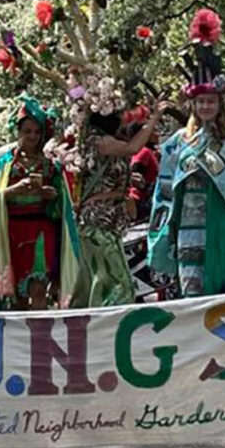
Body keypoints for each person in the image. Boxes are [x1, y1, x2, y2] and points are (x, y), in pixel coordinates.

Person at [147, 8, 225, 298]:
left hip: (221, 221)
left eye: (211, 101)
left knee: (221, 289)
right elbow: (164, 188)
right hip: (188, 220)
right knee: (191, 288)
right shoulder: (178, 141)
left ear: (219, 104)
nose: (205, 107)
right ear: (193, 105)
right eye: (200, 102)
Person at [0, 96, 79, 310]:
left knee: (38, 286)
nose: (33, 137)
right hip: (12, 230)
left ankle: (39, 335)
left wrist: (50, 194)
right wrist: (14, 191)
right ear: (18, 132)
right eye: (27, 132)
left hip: (41, 230)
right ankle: (19, 339)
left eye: (37, 132)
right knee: (16, 291)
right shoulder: (4, 161)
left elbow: (62, 201)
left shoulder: (50, 165)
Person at [72, 104, 170, 307]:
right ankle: (103, 325)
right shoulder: (99, 140)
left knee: (104, 276)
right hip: (98, 219)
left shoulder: (100, 141)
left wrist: (128, 180)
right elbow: (132, 148)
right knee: (114, 281)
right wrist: (154, 118)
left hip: (110, 218)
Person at [128, 119, 160, 222]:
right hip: (141, 202)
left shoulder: (149, 152)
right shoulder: (144, 152)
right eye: (154, 130)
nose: (158, 134)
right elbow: (136, 174)